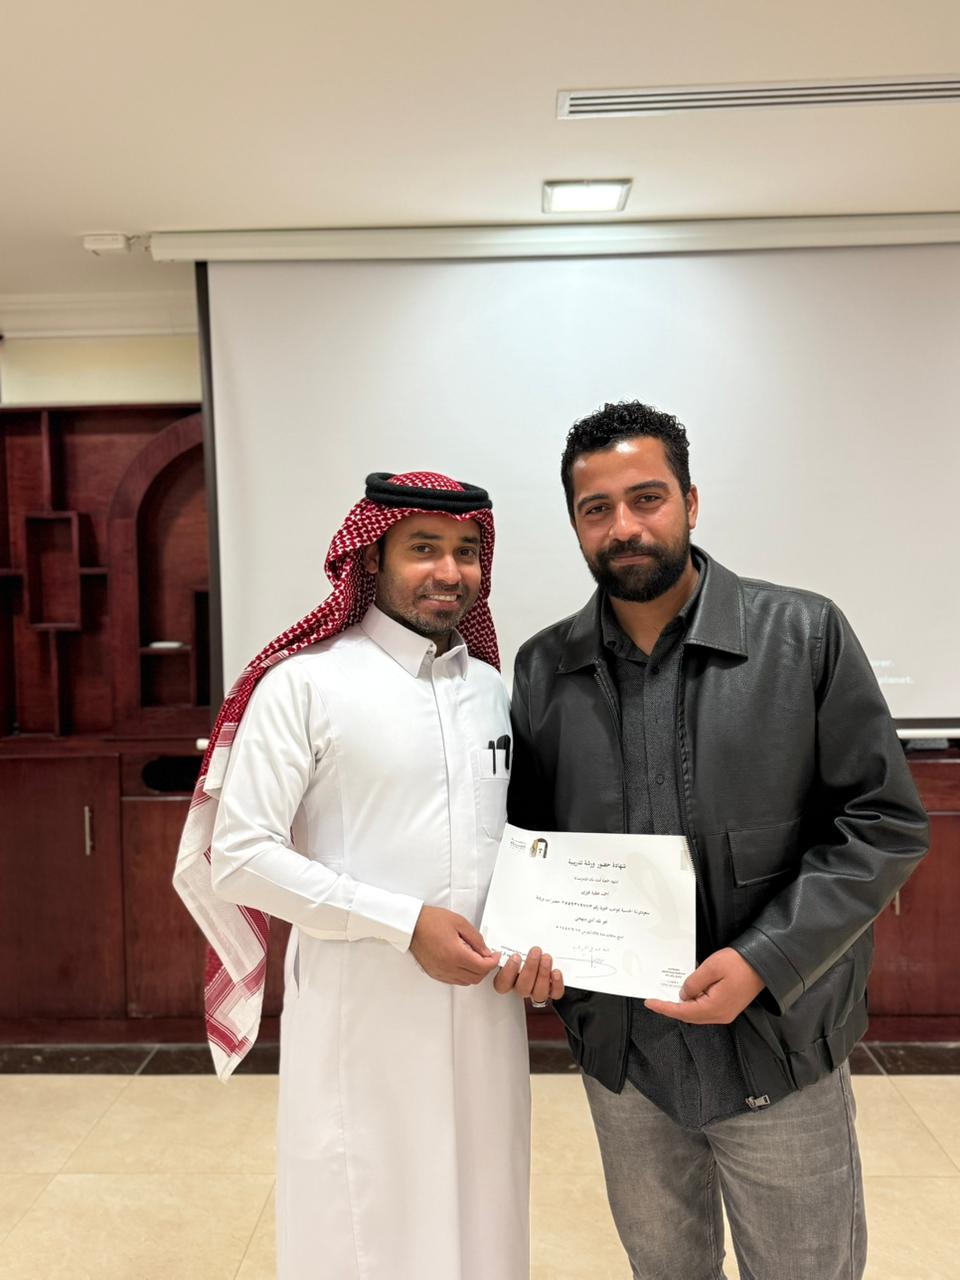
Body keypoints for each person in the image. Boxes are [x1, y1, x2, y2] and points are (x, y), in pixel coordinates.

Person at [501, 402, 928, 1280]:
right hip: (627, 1061)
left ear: (691, 502)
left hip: (779, 1040)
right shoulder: (544, 668)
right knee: (663, 1267)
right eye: (596, 508)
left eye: (647, 497)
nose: (624, 526)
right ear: (575, 525)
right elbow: (532, 847)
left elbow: (883, 823)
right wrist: (529, 948)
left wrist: (765, 959)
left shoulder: (803, 635)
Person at [173, 470, 546, 1280]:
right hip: (363, 1012)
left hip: (486, 1013)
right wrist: (403, 924)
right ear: (371, 558)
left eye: (467, 552)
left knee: (486, 1212)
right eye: (424, 549)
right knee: (366, 1222)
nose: (449, 571)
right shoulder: (305, 683)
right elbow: (240, 856)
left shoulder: (489, 688)